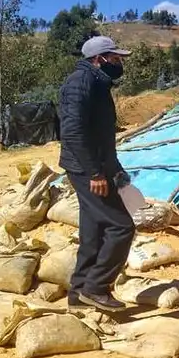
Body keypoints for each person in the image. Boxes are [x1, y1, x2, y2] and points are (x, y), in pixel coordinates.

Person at [58, 35, 135, 312]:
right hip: (86, 169)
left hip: (98, 166)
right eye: (114, 58)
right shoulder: (80, 84)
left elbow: (99, 135)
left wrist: (117, 173)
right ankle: (97, 287)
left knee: (93, 228)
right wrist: (95, 174)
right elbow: (73, 132)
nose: (118, 63)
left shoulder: (97, 83)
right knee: (121, 227)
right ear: (98, 59)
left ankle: (79, 292)